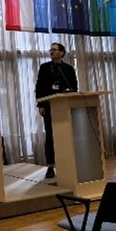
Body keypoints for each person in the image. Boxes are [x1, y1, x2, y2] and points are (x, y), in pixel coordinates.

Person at [35, 42, 78, 179]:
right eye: (51, 50)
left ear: (62, 53)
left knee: (66, 136)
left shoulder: (68, 69)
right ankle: (50, 166)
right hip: (49, 107)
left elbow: (74, 87)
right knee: (50, 137)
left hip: (64, 107)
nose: (51, 52)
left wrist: (69, 91)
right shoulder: (44, 68)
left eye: (54, 50)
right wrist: (40, 105)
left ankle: (67, 164)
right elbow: (39, 87)